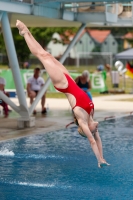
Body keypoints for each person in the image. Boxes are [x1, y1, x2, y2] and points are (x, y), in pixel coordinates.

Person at [16, 20, 109, 168]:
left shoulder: (84, 120)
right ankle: (26, 32)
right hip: (69, 79)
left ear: (86, 130)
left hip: (63, 85)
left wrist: (98, 160)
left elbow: (92, 140)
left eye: (94, 131)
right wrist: (103, 157)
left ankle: (24, 32)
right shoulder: (91, 115)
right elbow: (98, 140)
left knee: (42, 56)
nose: (97, 131)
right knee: (47, 55)